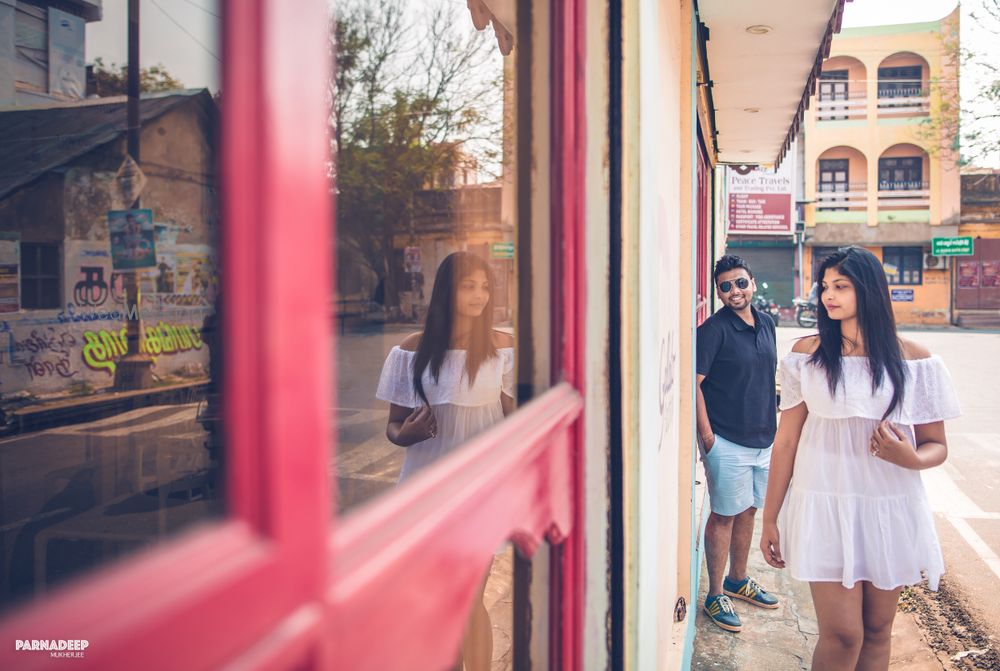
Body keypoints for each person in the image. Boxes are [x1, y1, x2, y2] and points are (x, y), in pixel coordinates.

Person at [760, 246, 960, 670]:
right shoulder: (807, 355)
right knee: (842, 634)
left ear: (868, 290)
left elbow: (936, 445)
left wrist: (909, 458)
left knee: (876, 631)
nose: (828, 295)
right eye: (825, 286)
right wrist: (770, 517)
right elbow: (787, 442)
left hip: (890, 506)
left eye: (841, 286)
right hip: (825, 503)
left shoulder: (915, 360)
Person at [375, 251, 514, 671]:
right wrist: (409, 433)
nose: (478, 294)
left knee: (469, 599)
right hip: (426, 491)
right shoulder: (411, 351)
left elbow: (513, 419)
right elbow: (394, 427)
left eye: (484, 286)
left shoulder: (501, 347)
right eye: (468, 285)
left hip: (481, 492)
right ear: (445, 291)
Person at [696, 255, 780, 633]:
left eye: (740, 283)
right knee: (724, 515)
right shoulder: (713, 330)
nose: (734, 291)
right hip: (727, 439)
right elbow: (693, 384)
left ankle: (738, 579)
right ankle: (715, 594)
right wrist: (708, 437)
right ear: (718, 291)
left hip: (763, 438)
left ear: (753, 283)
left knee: (748, 511)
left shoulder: (768, 323)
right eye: (726, 286)